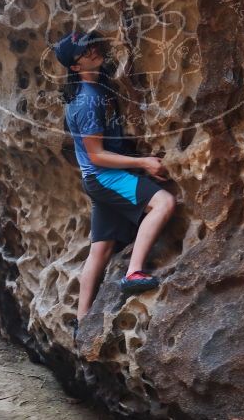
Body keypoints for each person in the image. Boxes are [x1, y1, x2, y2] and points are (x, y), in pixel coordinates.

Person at [54, 31, 176, 339]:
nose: (93, 50)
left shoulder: (98, 88)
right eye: (85, 51)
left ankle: (82, 323)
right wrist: (144, 163)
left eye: (92, 46)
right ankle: (134, 272)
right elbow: (97, 155)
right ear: (74, 66)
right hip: (104, 176)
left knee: (101, 248)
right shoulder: (87, 101)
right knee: (163, 203)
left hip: (96, 179)